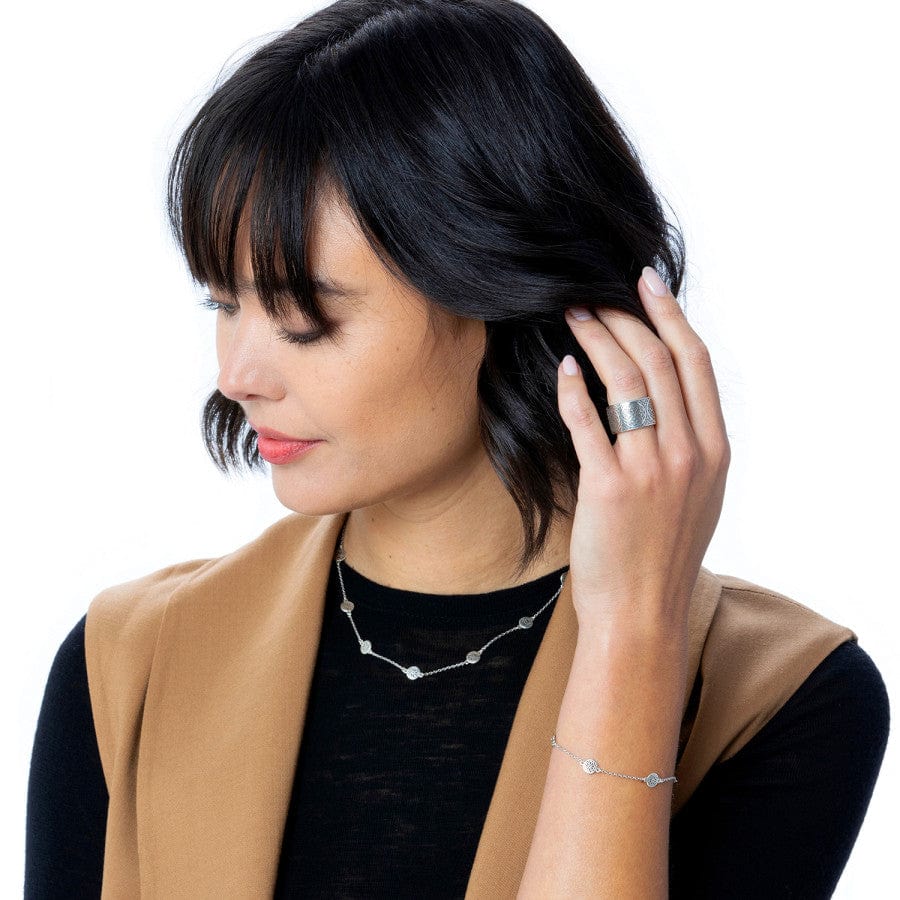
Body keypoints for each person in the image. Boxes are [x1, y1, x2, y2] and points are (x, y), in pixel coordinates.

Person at [25, 1, 889, 897]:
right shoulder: (129, 662)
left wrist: (633, 634)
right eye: (224, 304)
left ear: (502, 286)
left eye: (305, 317)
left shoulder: (784, 693)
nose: (237, 375)